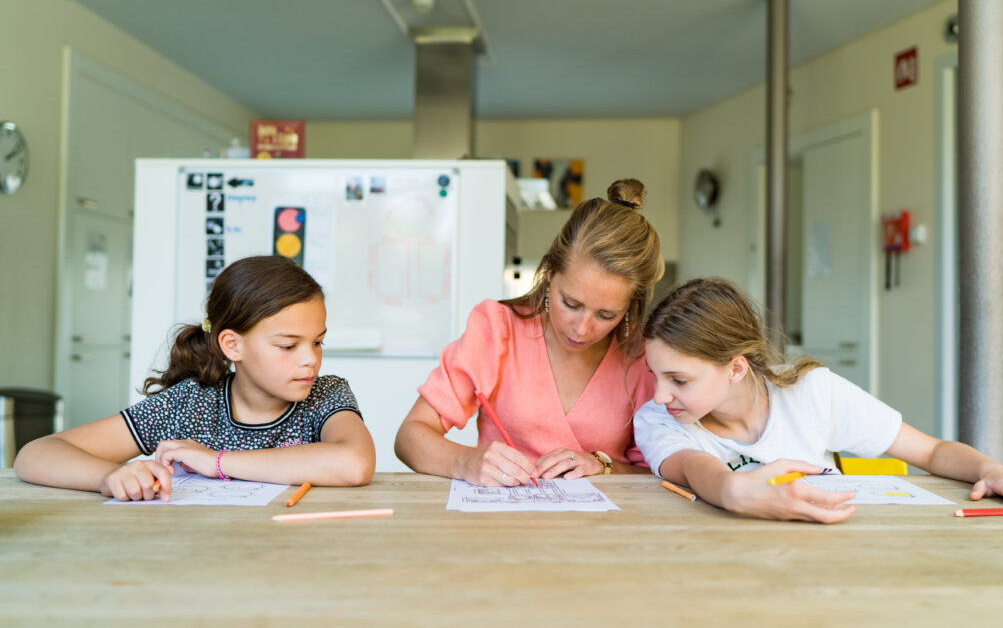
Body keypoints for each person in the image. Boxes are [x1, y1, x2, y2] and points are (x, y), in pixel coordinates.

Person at [634, 277, 1003, 523]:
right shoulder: (658, 420)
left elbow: (931, 450)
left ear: (736, 368)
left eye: (679, 379)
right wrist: (732, 491)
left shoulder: (813, 392)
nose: (659, 394)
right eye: (655, 375)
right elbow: (694, 468)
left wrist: (993, 470)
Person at [14, 255, 375, 500]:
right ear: (232, 345)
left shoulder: (325, 395)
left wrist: (216, 461)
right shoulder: (188, 404)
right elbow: (35, 454)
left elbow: (354, 462)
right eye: (287, 346)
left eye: (317, 342)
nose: (310, 360)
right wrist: (106, 478)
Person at [395, 179, 664, 486]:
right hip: (504, 525)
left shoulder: (644, 359)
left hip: (602, 530)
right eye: (570, 303)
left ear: (630, 306)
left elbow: (660, 471)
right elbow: (409, 436)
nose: (582, 328)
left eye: (606, 315)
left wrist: (603, 465)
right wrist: (466, 461)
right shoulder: (498, 329)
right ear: (549, 275)